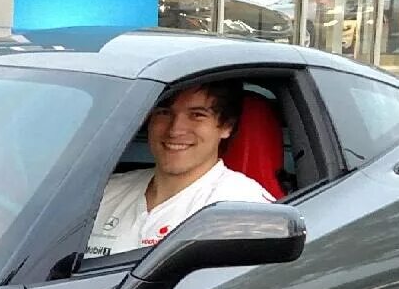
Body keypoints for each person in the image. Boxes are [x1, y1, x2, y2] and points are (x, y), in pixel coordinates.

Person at [85, 81, 272, 260]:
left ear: (226, 126)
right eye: (164, 112)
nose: (175, 130)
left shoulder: (244, 208)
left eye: (197, 115)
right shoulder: (103, 192)